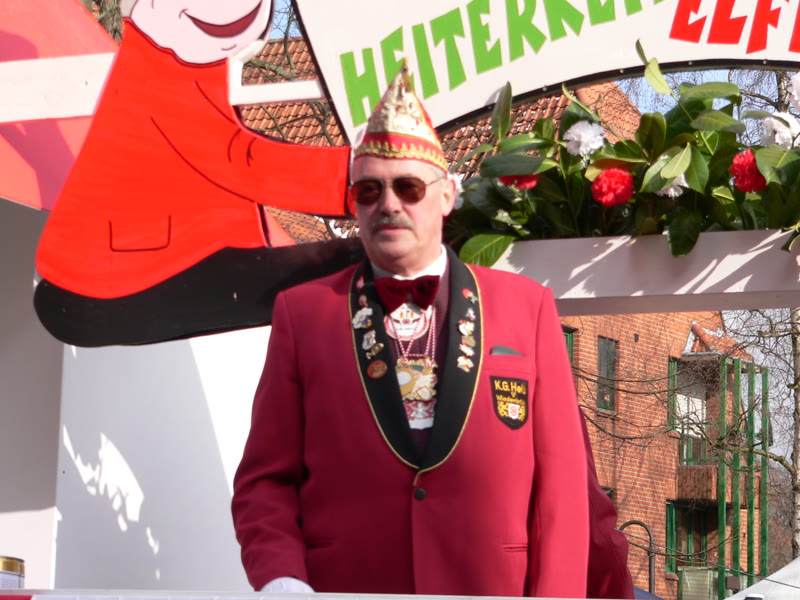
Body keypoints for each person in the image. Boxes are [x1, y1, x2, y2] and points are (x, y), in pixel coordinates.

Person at [232, 61, 633, 598]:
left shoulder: (527, 308)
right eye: (368, 190)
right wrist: (282, 577)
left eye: (408, 187)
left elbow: (562, 485)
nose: (388, 204)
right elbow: (265, 481)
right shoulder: (303, 314)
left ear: (447, 195)